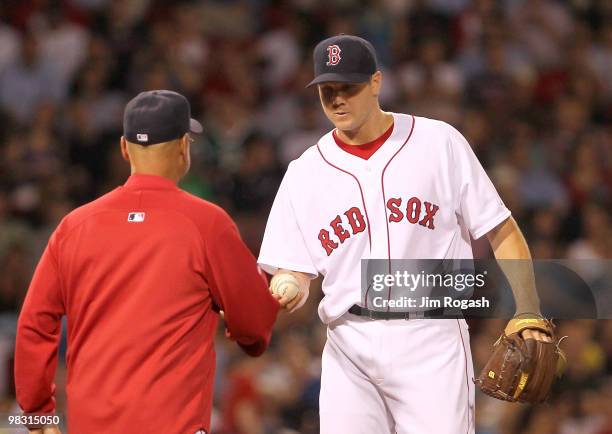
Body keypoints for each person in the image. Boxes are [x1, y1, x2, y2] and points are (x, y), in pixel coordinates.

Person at [258, 35, 551, 434]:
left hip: (430, 337)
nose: (338, 100)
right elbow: (292, 269)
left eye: (349, 87)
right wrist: (290, 283)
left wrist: (528, 307)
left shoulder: (438, 142)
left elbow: (501, 228)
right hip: (349, 343)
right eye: (328, 91)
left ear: (376, 82)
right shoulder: (304, 172)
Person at [15, 90, 279, 434]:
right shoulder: (206, 223)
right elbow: (254, 326)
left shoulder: (74, 226)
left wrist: (38, 417)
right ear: (185, 147)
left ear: (124, 148)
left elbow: (34, 324)